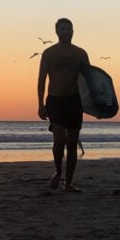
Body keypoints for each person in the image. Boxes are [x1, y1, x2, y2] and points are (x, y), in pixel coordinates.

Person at [37, 17, 90, 192]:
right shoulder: (49, 53)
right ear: (57, 31)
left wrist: (94, 105)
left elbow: (89, 81)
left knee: (72, 143)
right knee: (59, 140)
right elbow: (41, 80)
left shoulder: (81, 54)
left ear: (73, 31)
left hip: (75, 101)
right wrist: (40, 104)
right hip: (55, 100)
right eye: (63, 29)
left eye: (69, 29)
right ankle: (58, 172)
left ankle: (68, 183)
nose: (66, 31)